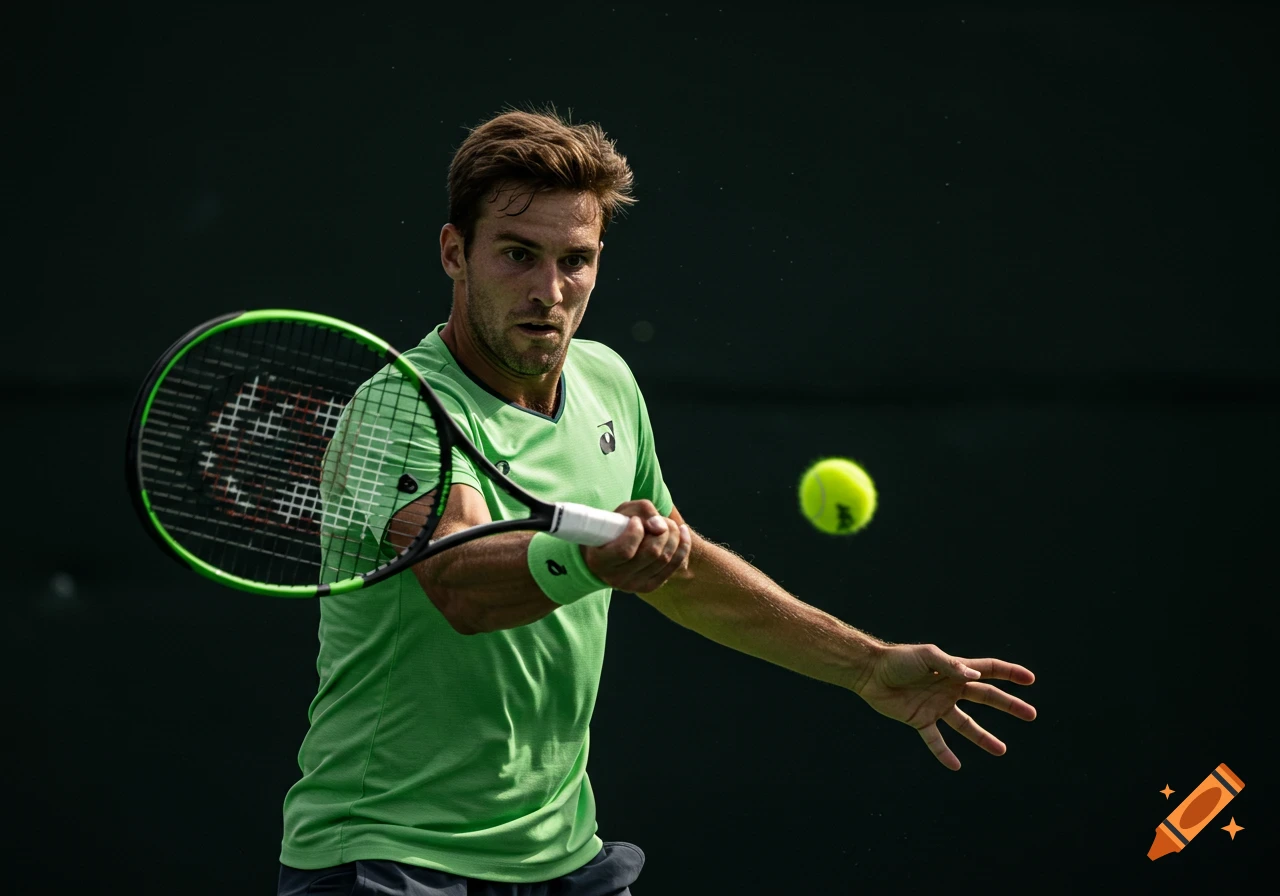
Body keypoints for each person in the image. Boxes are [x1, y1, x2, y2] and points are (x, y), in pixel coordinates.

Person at [278, 107, 1038, 896]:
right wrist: (588, 559)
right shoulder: (401, 407)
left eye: (575, 260)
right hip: (389, 859)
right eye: (516, 255)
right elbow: (461, 582)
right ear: (453, 253)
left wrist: (868, 666)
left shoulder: (606, 381)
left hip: (563, 856)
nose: (549, 291)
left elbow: (676, 570)